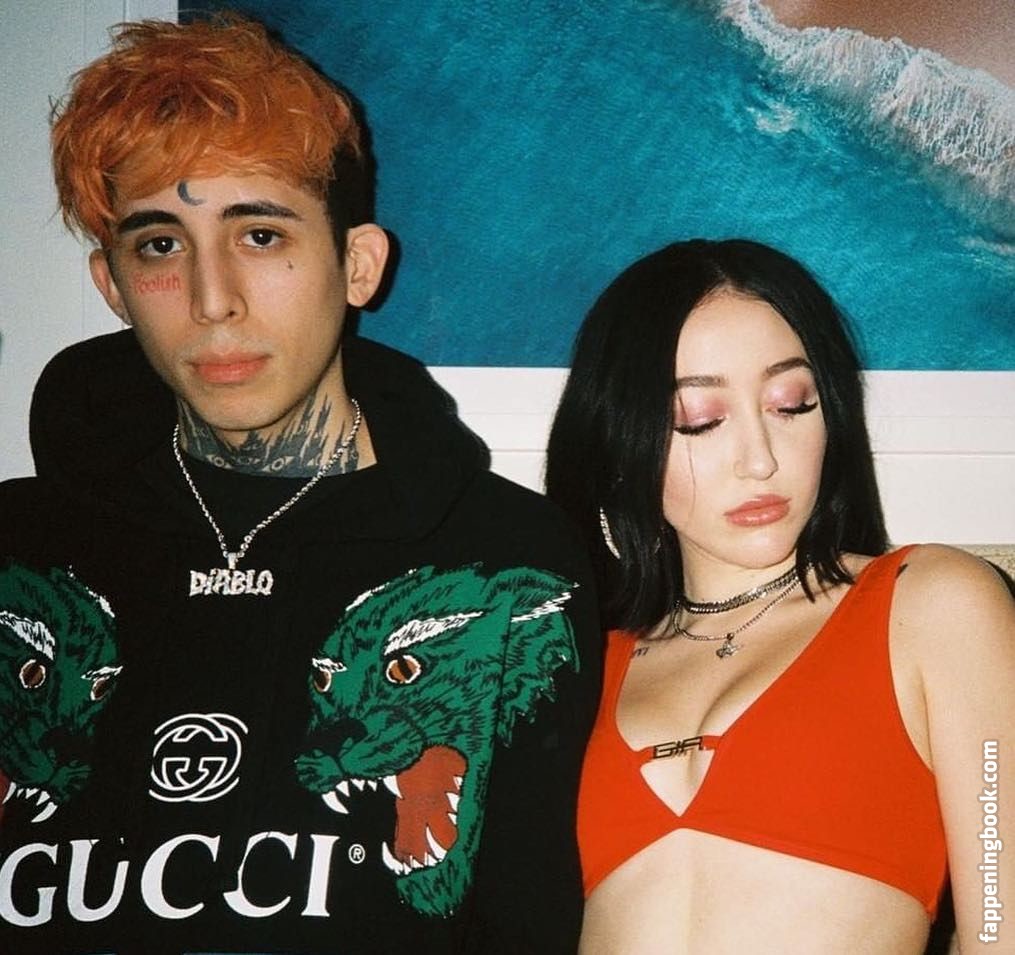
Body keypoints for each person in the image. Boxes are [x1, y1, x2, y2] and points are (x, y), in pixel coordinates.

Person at [0, 15, 601, 954]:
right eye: (158, 245)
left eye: (260, 234)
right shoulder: (20, 554)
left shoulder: (508, 563)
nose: (213, 299)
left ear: (356, 265)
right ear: (111, 285)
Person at [545, 238, 1015, 954]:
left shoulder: (931, 605)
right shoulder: (575, 659)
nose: (760, 459)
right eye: (700, 418)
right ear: (620, 441)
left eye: (792, 404)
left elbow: (1000, 926)